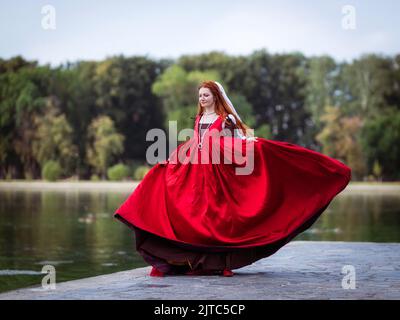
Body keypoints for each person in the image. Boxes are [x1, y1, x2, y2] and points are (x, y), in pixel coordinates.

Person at [114, 80, 352, 277]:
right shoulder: (197, 119)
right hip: (194, 170)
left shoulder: (224, 119)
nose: (202, 98)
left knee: (215, 218)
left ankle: (216, 261)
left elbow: (237, 138)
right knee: (175, 197)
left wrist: (250, 144)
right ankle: (181, 259)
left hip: (216, 172)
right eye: (200, 95)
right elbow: (196, 142)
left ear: (215, 96)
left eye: (206, 95)